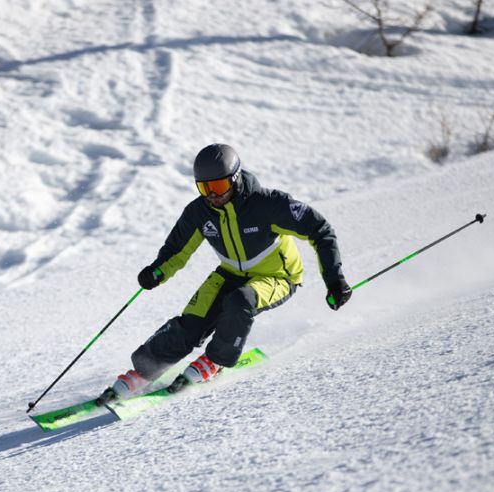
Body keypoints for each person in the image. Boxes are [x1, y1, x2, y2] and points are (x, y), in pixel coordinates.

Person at [97, 143, 352, 404]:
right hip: (230, 273)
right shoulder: (199, 212)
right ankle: (144, 371)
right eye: (204, 188)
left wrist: (334, 280)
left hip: (278, 276)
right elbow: (176, 250)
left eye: (218, 187)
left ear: (236, 178)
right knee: (192, 323)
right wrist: (157, 271)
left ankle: (215, 360)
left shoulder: (268, 205)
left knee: (240, 300)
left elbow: (320, 230)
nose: (212, 195)